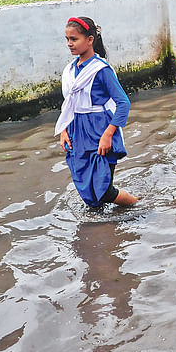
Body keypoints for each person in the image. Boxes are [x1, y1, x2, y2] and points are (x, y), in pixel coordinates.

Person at [55, 16, 138, 208]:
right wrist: (64, 131)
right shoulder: (69, 70)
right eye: (67, 39)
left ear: (90, 39)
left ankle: (138, 206)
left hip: (100, 130)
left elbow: (123, 103)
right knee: (87, 189)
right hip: (77, 131)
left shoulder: (101, 70)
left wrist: (108, 135)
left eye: (74, 39)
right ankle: (101, 230)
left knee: (104, 190)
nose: (69, 44)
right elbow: (69, 104)